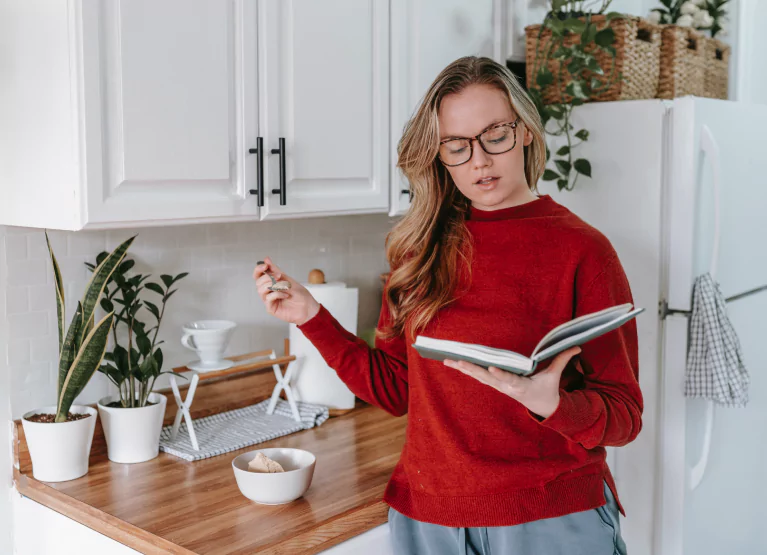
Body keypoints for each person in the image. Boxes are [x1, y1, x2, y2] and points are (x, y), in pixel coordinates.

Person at [253, 56, 642, 555]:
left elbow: (625, 415)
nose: (479, 160)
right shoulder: (419, 252)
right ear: (439, 156)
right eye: (457, 146)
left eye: (495, 135)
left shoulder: (583, 251)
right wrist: (311, 318)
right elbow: (397, 390)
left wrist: (550, 403)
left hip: (551, 517)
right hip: (428, 520)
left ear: (524, 132)